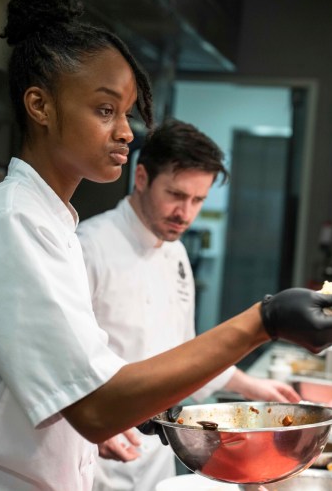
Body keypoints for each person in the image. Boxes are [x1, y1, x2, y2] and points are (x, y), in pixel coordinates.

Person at [0, 0, 332, 489]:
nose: (125, 131)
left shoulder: (51, 224)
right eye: (104, 110)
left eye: (126, 113)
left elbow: (82, 383)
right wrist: (263, 320)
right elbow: (95, 405)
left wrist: (121, 416)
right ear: (40, 106)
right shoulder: (14, 224)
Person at [77, 119, 302, 490]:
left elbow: (184, 352)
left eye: (198, 200)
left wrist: (249, 386)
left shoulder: (176, 252)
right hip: (97, 457)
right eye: (176, 195)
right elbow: (64, 366)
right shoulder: (89, 246)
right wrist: (91, 428)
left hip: (157, 455)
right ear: (142, 177)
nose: (186, 213)